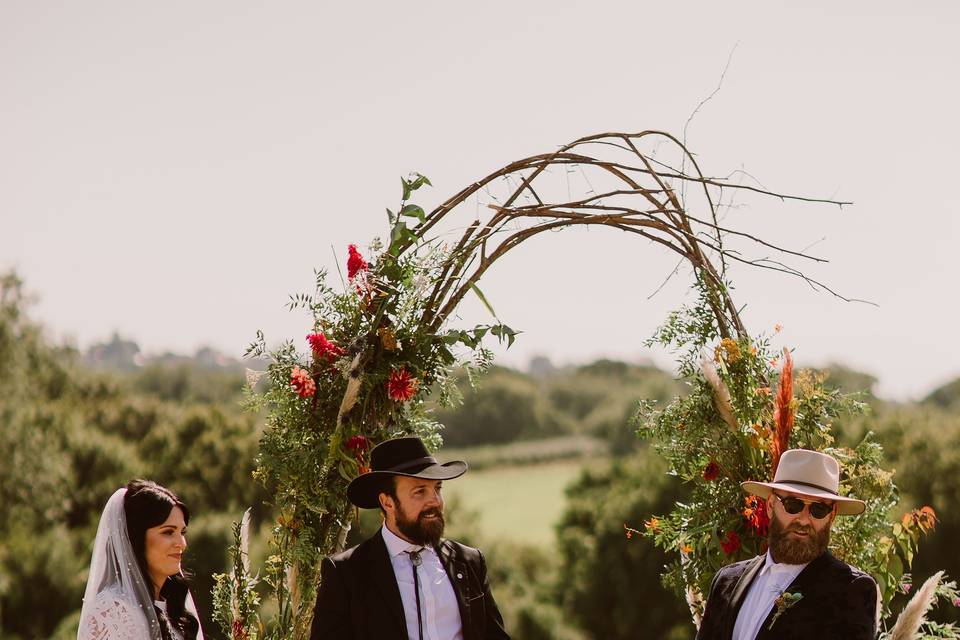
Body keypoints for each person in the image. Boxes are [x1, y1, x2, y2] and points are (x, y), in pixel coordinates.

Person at [310, 436, 511, 640]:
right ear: (387, 502)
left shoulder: (469, 561)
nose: (435, 501)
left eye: (437, 489)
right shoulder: (347, 573)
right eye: (420, 491)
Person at [696, 449, 878, 640]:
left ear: (831, 517)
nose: (804, 520)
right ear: (770, 505)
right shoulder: (726, 581)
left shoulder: (850, 589)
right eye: (793, 505)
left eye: (818, 509)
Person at [78, 479, 203, 640]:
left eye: (182, 533)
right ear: (136, 538)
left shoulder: (176, 612)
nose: (182, 544)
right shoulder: (112, 613)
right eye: (168, 532)